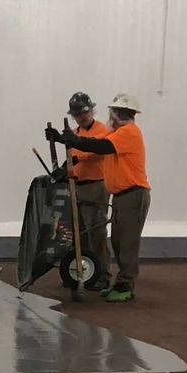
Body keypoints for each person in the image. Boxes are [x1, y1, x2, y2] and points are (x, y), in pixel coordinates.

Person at [53, 91, 149, 302]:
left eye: (112, 112)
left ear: (118, 114)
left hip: (133, 194)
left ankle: (124, 285)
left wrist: (73, 140)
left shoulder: (128, 133)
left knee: (127, 243)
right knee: (118, 240)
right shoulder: (118, 133)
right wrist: (64, 140)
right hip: (123, 195)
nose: (110, 117)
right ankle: (118, 281)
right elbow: (92, 145)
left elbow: (98, 146)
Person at [63, 91, 111, 292]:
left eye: (84, 112)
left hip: (96, 186)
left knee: (96, 232)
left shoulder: (102, 130)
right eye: (77, 114)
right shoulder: (76, 133)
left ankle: (103, 275)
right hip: (77, 187)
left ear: (91, 110)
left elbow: (93, 151)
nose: (82, 117)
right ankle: (80, 272)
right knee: (78, 234)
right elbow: (73, 157)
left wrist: (75, 146)